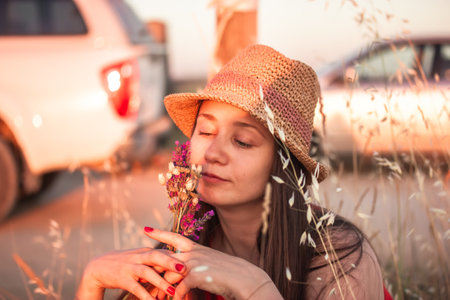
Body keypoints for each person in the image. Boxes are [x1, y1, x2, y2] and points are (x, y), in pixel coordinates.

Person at [76, 44, 391, 300]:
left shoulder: (338, 259)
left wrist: (257, 289)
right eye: (206, 131)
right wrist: (91, 283)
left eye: (242, 141)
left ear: (283, 166)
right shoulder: (182, 251)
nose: (212, 154)